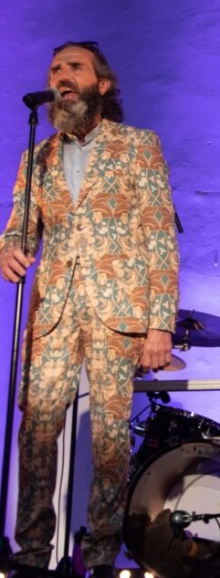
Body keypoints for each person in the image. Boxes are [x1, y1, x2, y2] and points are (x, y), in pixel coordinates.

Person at [0, 42, 180, 578]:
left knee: (109, 438)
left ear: (102, 84)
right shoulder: (37, 155)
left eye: (74, 67)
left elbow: (159, 235)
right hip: (52, 311)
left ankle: (100, 555)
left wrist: (160, 323)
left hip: (117, 308)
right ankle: (31, 554)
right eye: (55, 68)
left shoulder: (138, 145)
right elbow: (19, 226)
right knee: (36, 433)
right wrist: (8, 247)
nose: (61, 75)